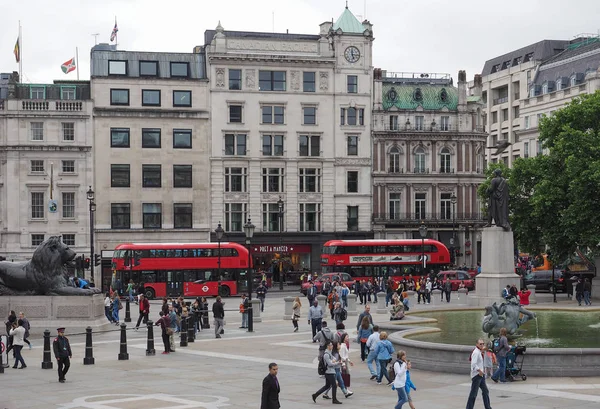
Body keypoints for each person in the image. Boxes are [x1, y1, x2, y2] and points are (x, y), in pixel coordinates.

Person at [466, 338, 492, 409]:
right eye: (480, 344)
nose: (482, 345)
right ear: (477, 344)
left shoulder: (479, 351)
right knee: (473, 394)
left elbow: (484, 349)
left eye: (483, 344)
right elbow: (473, 365)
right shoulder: (476, 353)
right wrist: (479, 371)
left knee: (485, 391)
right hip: (477, 376)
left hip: (481, 375)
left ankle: (488, 407)